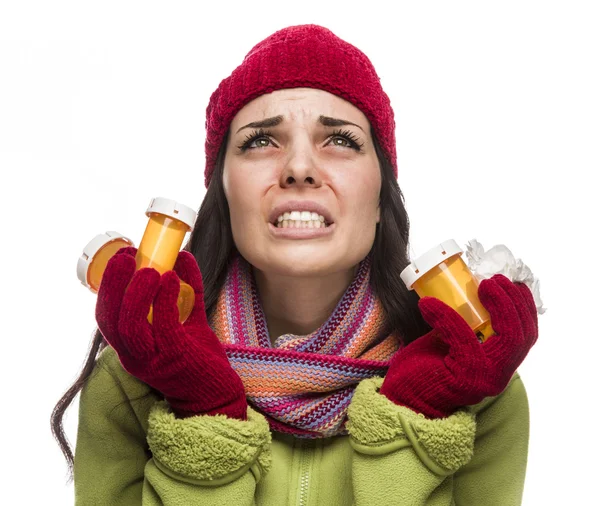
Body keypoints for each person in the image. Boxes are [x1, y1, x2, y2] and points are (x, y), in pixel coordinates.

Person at [52, 24, 538, 505]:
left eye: (341, 141)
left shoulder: (473, 383)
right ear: (223, 194)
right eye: (260, 141)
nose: (299, 167)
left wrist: (414, 423)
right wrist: (202, 415)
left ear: (379, 199)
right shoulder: (133, 380)